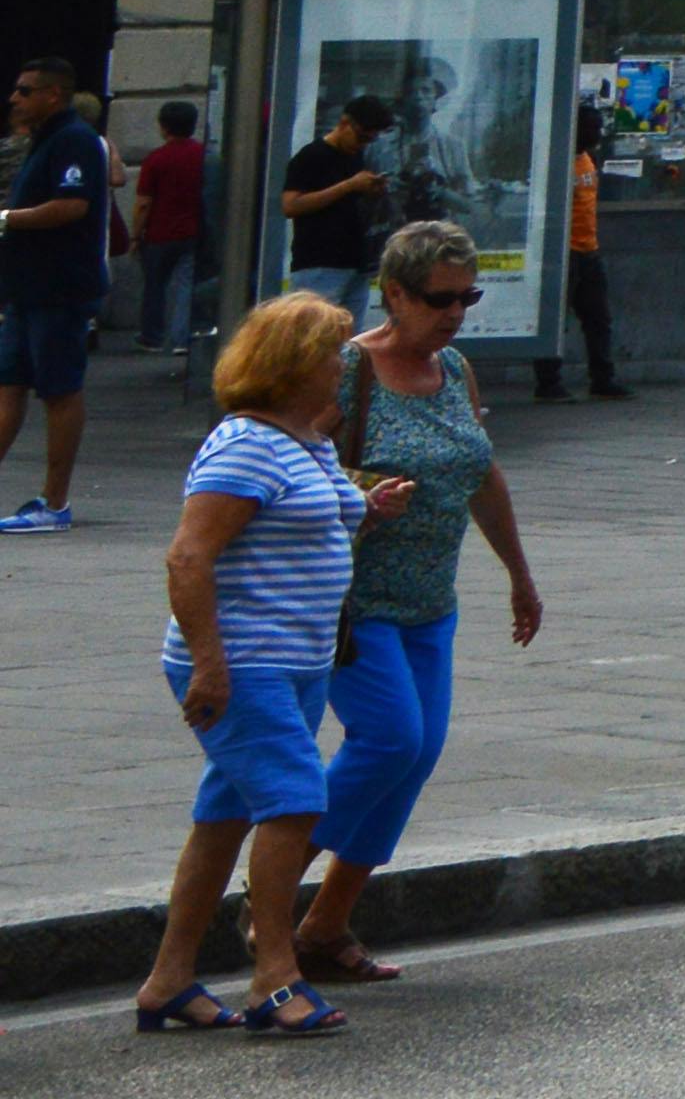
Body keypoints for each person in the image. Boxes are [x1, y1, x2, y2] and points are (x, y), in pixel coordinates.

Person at [132, 289, 403, 1034]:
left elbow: (310, 520)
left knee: (224, 816)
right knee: (295, 801)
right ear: (291, 364)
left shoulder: (304, 438)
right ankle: (273, 978)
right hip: (243, 662)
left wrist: (368, 512)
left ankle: (168, 982)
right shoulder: (245, 442)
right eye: (331, 355)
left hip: (295, 660)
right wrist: (210, 664)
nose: (343, 367)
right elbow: (189, 556)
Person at [288, 217, 549, 983]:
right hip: (351, 598)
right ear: (393, 294)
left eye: (467, 296)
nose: (456, 313)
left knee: (417, 754)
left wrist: (519, 574)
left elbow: (482, 474)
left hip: (430, 601)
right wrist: (360, 495)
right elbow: (287, 464)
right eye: (440, 299)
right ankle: (269, 889)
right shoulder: (344, 371)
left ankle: (325, 926)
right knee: (391, 741)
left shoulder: (455, 368)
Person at [4, 51, 106, 531]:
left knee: (60, 391)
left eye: (25, 90)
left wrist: (6, 219)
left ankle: (55, 503)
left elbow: (72, 206)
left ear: (53, 94)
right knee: (8, 385)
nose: (15, 98)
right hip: (26, 291)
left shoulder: (75, 140)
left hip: (60, 289)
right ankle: (48, 501)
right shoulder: (45, 140)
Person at [537, 98, 628, 403]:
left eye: (598, 127)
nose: (597, 133)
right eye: (591, 128)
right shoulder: (558, 161)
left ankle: (602, 378)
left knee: (598, 319)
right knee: (555, 320)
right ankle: (548, 381)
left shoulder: (586, 159)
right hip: (566, 252)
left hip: (588, 249)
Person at [281, 90, 394, 308]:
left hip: (356, 262)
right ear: (345, 123)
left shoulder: (360, 157)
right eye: (361, 137)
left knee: (351, 336)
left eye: (370, 140)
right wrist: (348, 186)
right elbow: (290, 205)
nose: (362, 145)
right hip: (319, 261)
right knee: (315, 335)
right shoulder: (312, 156)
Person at [131, 96, 212, 361]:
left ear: (164, 126)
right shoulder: (203, 156)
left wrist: (135, 235)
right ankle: (181, 338)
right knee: (185, 285)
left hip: (158, 232)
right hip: (191, 230)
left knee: (154, 287)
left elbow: (144, 202)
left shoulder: (156, 159)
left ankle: (152, 336)